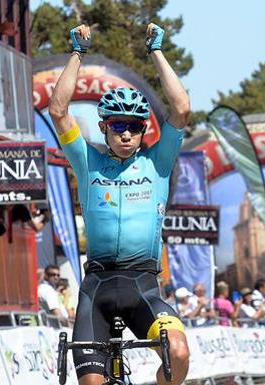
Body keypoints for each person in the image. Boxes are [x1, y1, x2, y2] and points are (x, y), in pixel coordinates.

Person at [48, 23, 190, 385]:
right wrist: (77, 53)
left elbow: (181, 107)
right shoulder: (88, 162)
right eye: (117, 126)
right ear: (105, 128)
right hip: (96, 288)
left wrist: (156, 51)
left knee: (178, 352)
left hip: (143, 286)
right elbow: (59, 110)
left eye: (134, 127)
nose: (126, 133)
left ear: (144, 131)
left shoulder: (157, 164)